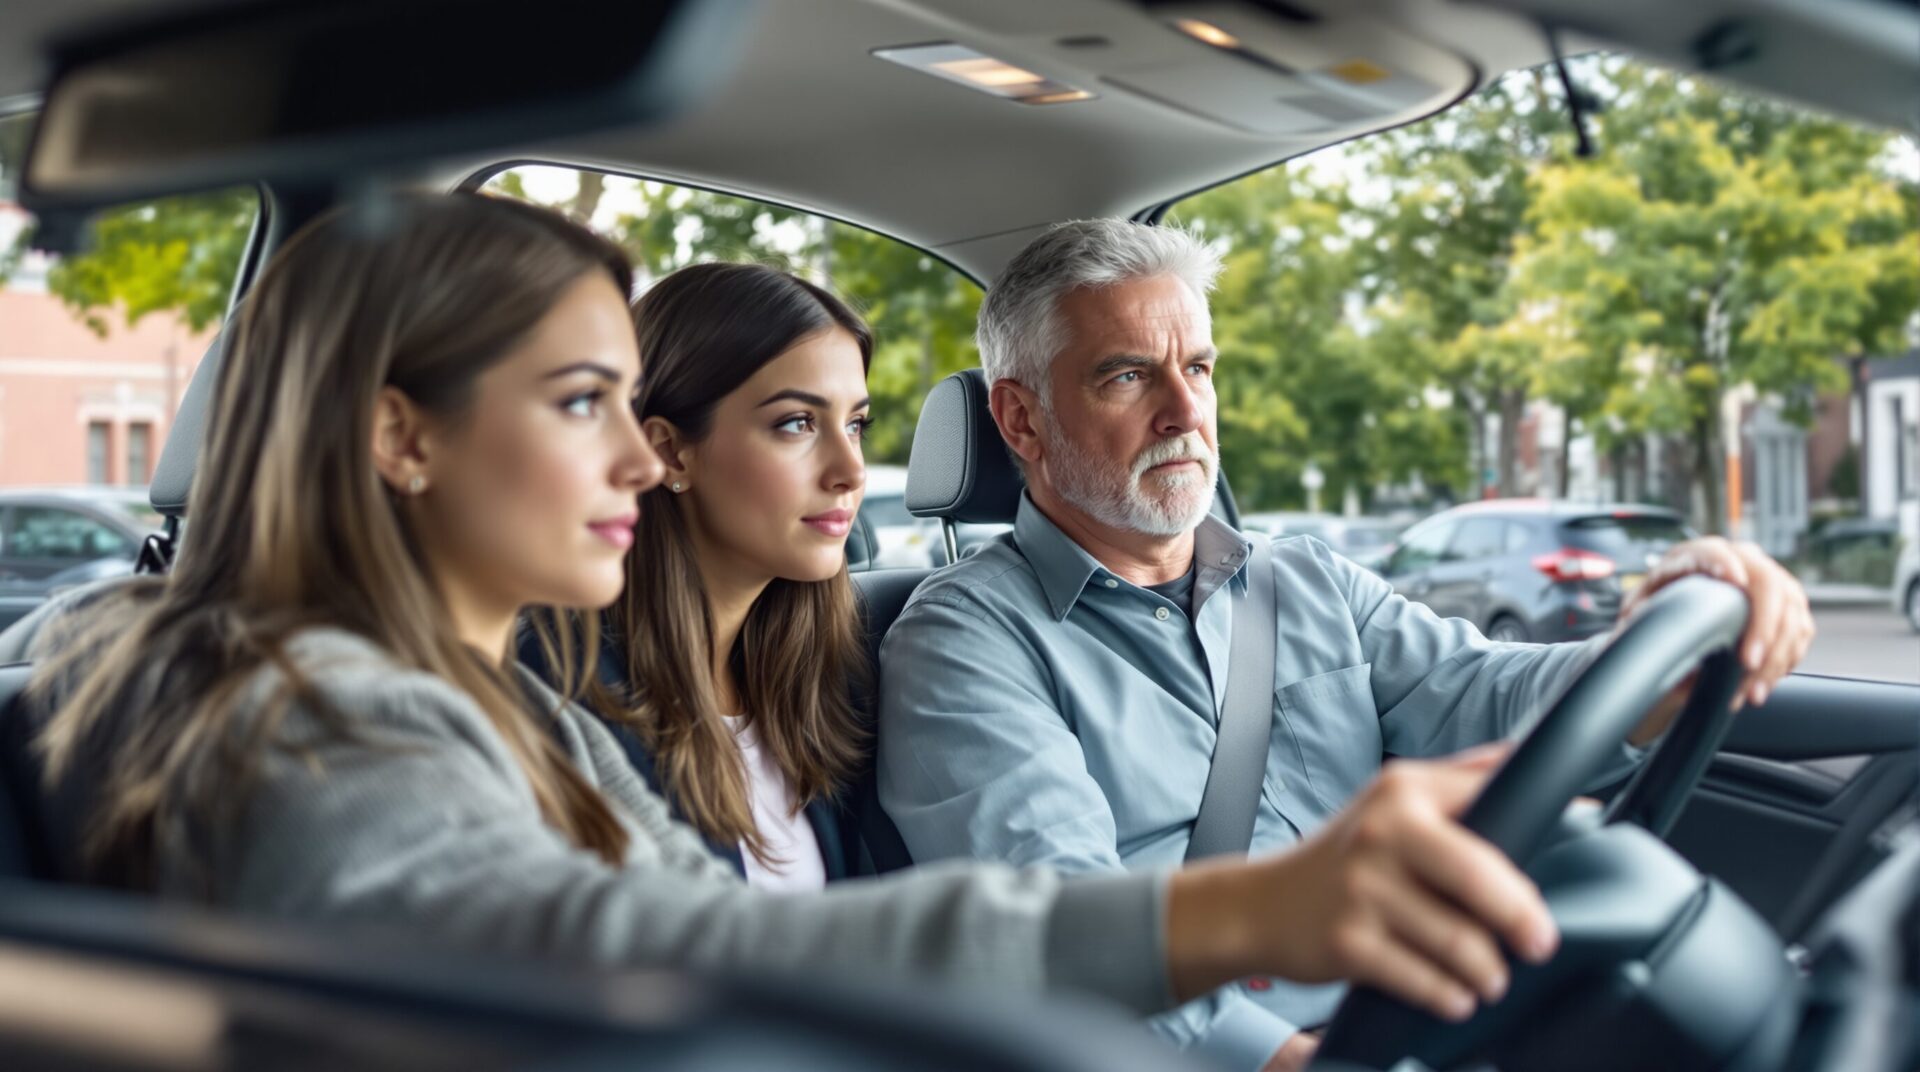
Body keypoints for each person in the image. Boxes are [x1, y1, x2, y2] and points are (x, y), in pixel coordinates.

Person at [25, 192, 1559, 1043]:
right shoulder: (299, 708)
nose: (639, 457)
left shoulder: (518, 707)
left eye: (632, 406)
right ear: (399, 437)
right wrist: (1240, 915)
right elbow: (636, 951)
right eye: (584, 406)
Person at [874, 218, 1816, 1071]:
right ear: (1020, 421)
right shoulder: (964, 642)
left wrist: (1673, 633)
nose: (1184, 413)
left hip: (1430, 1013)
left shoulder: (1306, 580)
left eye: (1198, 369)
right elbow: (1062, 934)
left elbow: (1492, 695)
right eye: (1128, 375)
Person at [528, 262, 876, 888]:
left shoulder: (832, 676)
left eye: (856, 424)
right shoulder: (559, 691)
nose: (850, 470)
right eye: (797, 422)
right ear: (667, 451)